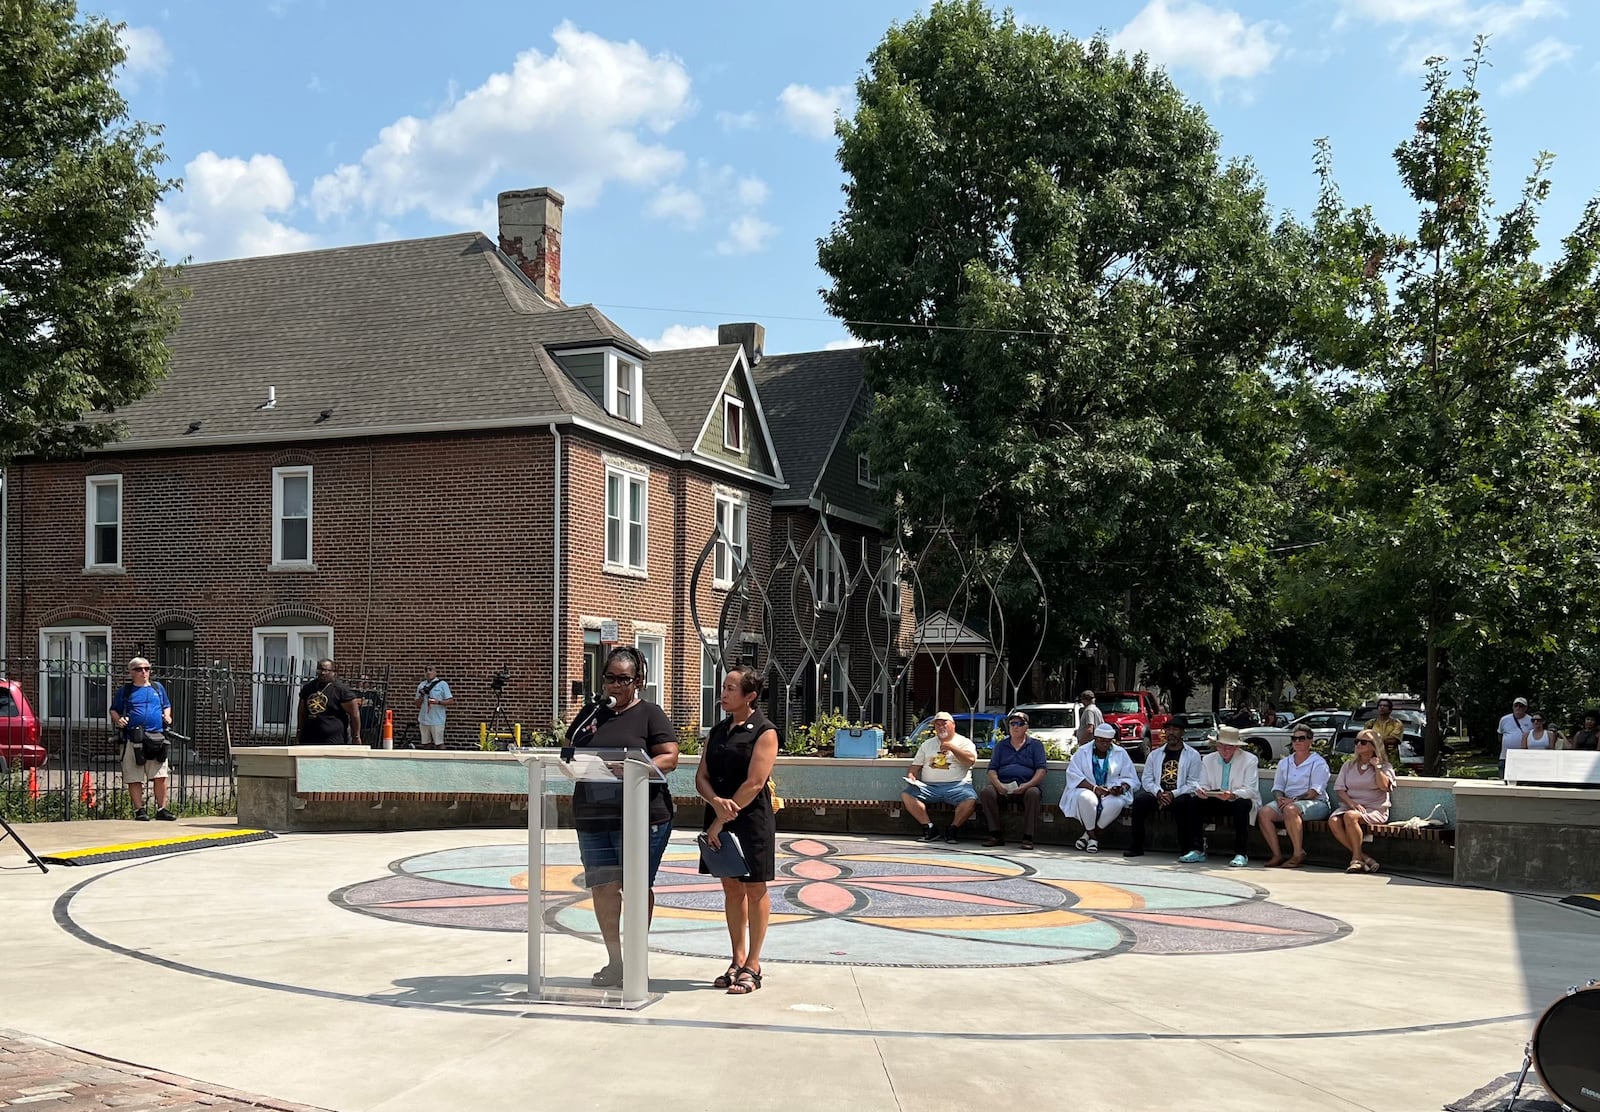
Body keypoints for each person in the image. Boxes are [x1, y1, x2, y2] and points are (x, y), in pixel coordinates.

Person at [570, 646, 678, 989]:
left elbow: (670, 757)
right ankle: (615, 961)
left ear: (639, 682)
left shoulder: (650, 714)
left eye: (623, 679)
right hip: (593, 814)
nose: (615, 686)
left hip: (640, 815)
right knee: (603, 886)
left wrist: (636, 767)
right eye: (610, 678)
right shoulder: (593, 713)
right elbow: (569, 747)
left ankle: (635, 961)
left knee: (634, 886)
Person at [697, 665, 778, 996]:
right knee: (730, 888)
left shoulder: (765, 731)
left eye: (732, 688)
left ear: (750, 696)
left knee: (754, 888)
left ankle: (753, 965)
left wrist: (720, 818)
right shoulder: (717, 731)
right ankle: (737, 958)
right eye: (724, 687)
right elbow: (701, 775)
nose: (724, 693)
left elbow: (755, 782)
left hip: (750, 819)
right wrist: (714, 801)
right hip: (718, 812)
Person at [108, 657, 175, 822]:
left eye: (146, 668)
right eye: (139, 669)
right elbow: (114, 710)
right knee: (134, 776)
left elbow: (166, 705)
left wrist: (167, 716)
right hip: (133, 738)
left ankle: (162, 809)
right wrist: (118, 720)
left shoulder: (157, 688)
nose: (144, 672)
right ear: (131, 672)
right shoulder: (125, 691)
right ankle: (140, 810)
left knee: (160, 775)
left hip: (156, 737)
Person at [1126, 718, 1203, 860]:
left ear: (1182, 733)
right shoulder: (1155, 755)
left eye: (1175, 730)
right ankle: (1136, 846)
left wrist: (1172, 794)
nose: (1171, 733)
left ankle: (1186, 848)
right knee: (1139, 802)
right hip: (1158, 794)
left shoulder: (1192, 755)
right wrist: (1159, 793)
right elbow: (1147, 780)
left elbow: (1194, 783)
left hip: (1180, 794)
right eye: (1168, 730)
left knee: (1185, 803)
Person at [1257, 728, 1331, 868]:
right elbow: (1278, 787)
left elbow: (1315, 791)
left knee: (1290, 810)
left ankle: (1298, 853)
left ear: (1310, 741)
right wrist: (1279, 798)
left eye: (1301, 738)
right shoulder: (1285, 762)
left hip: (1316, 803)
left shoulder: (1318, 763)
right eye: (1294, 738)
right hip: (1288, 802)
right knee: (1264, 813)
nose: (1297, 741)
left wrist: (1294, 800)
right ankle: (1277, 855)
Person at [1060, 722, 1138, 853]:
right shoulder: (1083, 751)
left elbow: (1130, 777)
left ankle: (1088, 836)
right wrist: (1095, 789)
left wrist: (1121, 789)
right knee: (1086, 798)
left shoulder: (1120, 753)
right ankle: (1093, 837)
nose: (1104, 744)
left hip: (1110, 793)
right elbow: (1073, 775)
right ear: (1095, 739)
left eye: (1108, 742)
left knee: (1117, 803)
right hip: (1087, 789)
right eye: (1101, 741)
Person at [901, 711, 979, 843]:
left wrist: (952, 748)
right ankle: (929, 828)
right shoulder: (927, 744)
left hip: (957, 785)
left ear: (953, 725)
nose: (941, 727)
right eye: (937, 724)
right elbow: (915, 765)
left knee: (970, 799)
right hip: (929, 787)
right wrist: (911, 775)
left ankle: (953, 830)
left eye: (944, 723)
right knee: (907, 795)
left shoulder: (964, 742)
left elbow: (970, 760)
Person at [979, 711, 1048, 850]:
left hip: (1026, 786)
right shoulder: (1001, 746)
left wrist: (1027, 785)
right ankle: (995, 835)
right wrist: (998, 785)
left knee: (1033, 793)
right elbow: (992, 769)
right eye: (1013, 723)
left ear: (1026, 727)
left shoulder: (1036, 745)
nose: (1016, 727)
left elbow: (1041, 770)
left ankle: (1028, 837)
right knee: (987, 792)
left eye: (1020, 723)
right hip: (1003, 785)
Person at [1194, 726, 1261, 867]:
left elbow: (1251, 790)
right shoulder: (1207, 759)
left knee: (1241, 805)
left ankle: (1241, 853)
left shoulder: (1250, 760)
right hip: (1216, 798)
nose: (1224, 750)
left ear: (1236, 747)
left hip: (1239, 799)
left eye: (1229, 747)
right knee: (1193, 802)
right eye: (1221, 746)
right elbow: (1203, 783)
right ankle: (1197, 849)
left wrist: (1233, 795)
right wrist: (1203, 791)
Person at [1329, 731, 1394, 874]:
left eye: (1363, 742)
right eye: (1357, 741)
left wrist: (1377, 768)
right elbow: (1340, 789)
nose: (1358, 744)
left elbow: (1384, 787)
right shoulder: (1348, 765)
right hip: (1351, 806)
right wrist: (1352, 803)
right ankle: (1363, 857)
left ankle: (1356, 860)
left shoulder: (1385, 766)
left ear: (1374, 746)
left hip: (1375, 809)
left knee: (1350, 817)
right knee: (1334, 820)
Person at [297, 659, 361, 745]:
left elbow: (354, 714)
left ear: (333, 672)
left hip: (333, 740)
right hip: (309, 738)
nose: (322, 673)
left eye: (326, 670)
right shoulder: (309, 688)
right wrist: (300, 729)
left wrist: (356, 736)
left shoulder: (340, 690)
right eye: (320, 670)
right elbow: (302, 711)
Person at [414, 666, 454, 748]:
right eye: (426, 670)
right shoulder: (421, 685)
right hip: (424, 719)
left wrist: (438, 702)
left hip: (437, 720)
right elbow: (417, 704)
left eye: (430, 670)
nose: (428, 672)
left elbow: (450, 701)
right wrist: (422, 695)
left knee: (439, 743)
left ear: (435, 672)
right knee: (426, 744)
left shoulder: (442, 684)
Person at [1497, 697, 1534, 777]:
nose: (1518, 708)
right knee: (1503, 779)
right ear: (1513, 707)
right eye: (1516, 705)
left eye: (1521, 706)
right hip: (1505, 757)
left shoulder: (1531, 720)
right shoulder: (1504, 719)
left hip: (1522, 757)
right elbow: (1500, 735)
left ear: (1526, 708)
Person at [1365, 698, 1404, 771]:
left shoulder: (1396, 723)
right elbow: (1365, 739)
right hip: (1373, 757)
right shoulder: (1370, 723)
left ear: (1390, 710)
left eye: (1385, 706)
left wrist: (1374, 740)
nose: (1382, 707)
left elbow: (1393, 740)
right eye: (1380, 705)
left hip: (1390, 758)